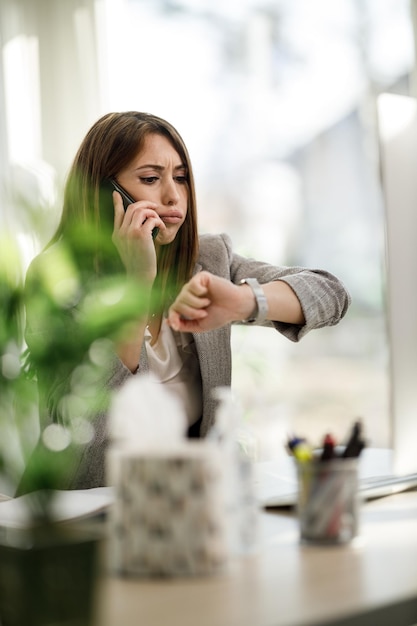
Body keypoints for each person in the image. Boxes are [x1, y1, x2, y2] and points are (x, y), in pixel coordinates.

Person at [22, 111, 350, 491]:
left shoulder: (209, 258)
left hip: (184, 511)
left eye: (180, 178)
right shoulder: (55, 279)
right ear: (102, 192)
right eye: (150, 179)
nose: (173, 196)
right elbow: (86, 443)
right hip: (82, 518)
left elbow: (330, 293)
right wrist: (135, 287)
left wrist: (246, 300)